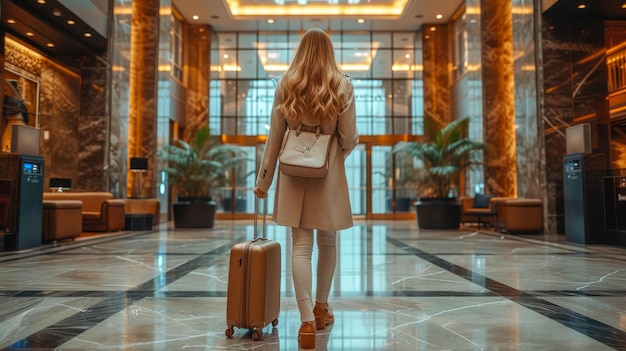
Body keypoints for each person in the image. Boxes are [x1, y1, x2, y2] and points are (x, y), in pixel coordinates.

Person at [253, 27, 358, 349]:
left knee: (301, 246)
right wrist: (335, 152)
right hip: (328, 174)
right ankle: (322, 307)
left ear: (301, 51)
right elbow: (350, 137)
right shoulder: (342, 85)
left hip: (292, 174)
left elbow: (273, 138)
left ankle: (306, 324)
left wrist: (263, 181)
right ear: (329, 52)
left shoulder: (286, 85)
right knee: (328, 243)